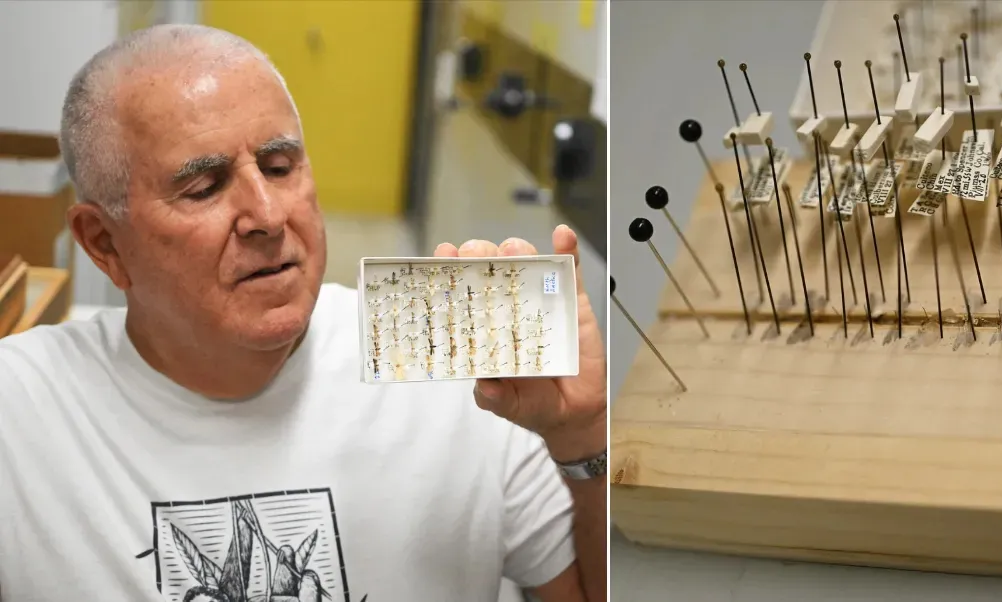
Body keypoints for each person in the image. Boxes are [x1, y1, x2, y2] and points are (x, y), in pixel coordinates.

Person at [0, 24, 606, 602]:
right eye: (204, 187)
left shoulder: (465, 370)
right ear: (104, 244)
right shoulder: (22, 418)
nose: (267, 215)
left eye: (279, 166)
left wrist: (583, 442)